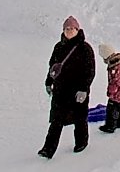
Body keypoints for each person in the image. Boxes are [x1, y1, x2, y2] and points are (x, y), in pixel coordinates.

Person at [38, 16, 95, 159]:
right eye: (66, 29)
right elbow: (53, 67)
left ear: (77, 30)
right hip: (60, 90)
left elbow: (90, 71)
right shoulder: (58, 47)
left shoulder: (85, 48)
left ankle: (81, 142)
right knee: (56, 120)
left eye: (72, 28)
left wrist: (83, 89)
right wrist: (48, 82)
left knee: (80, 118)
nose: (69, 31)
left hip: (78, 90)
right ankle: (48, 149)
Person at [97, 44, 120, 134]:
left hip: (119, 93)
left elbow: (116, 82)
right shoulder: (118, 63)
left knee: (112, 109)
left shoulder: (114, 67)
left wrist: (111, 91)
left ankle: (110, 126)